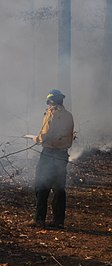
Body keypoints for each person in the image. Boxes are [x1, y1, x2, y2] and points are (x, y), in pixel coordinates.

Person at [32, 89, 74, 229]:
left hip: (49, 154)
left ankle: (39, 220)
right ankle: (58, 221)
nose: (48, 105)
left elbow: (46, 134)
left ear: (52, 101)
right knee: (59, 188)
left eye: (49, 102)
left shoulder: (52, 114)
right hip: (62, 155)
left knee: (41, 185)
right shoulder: (68, 115)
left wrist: (36, 139)